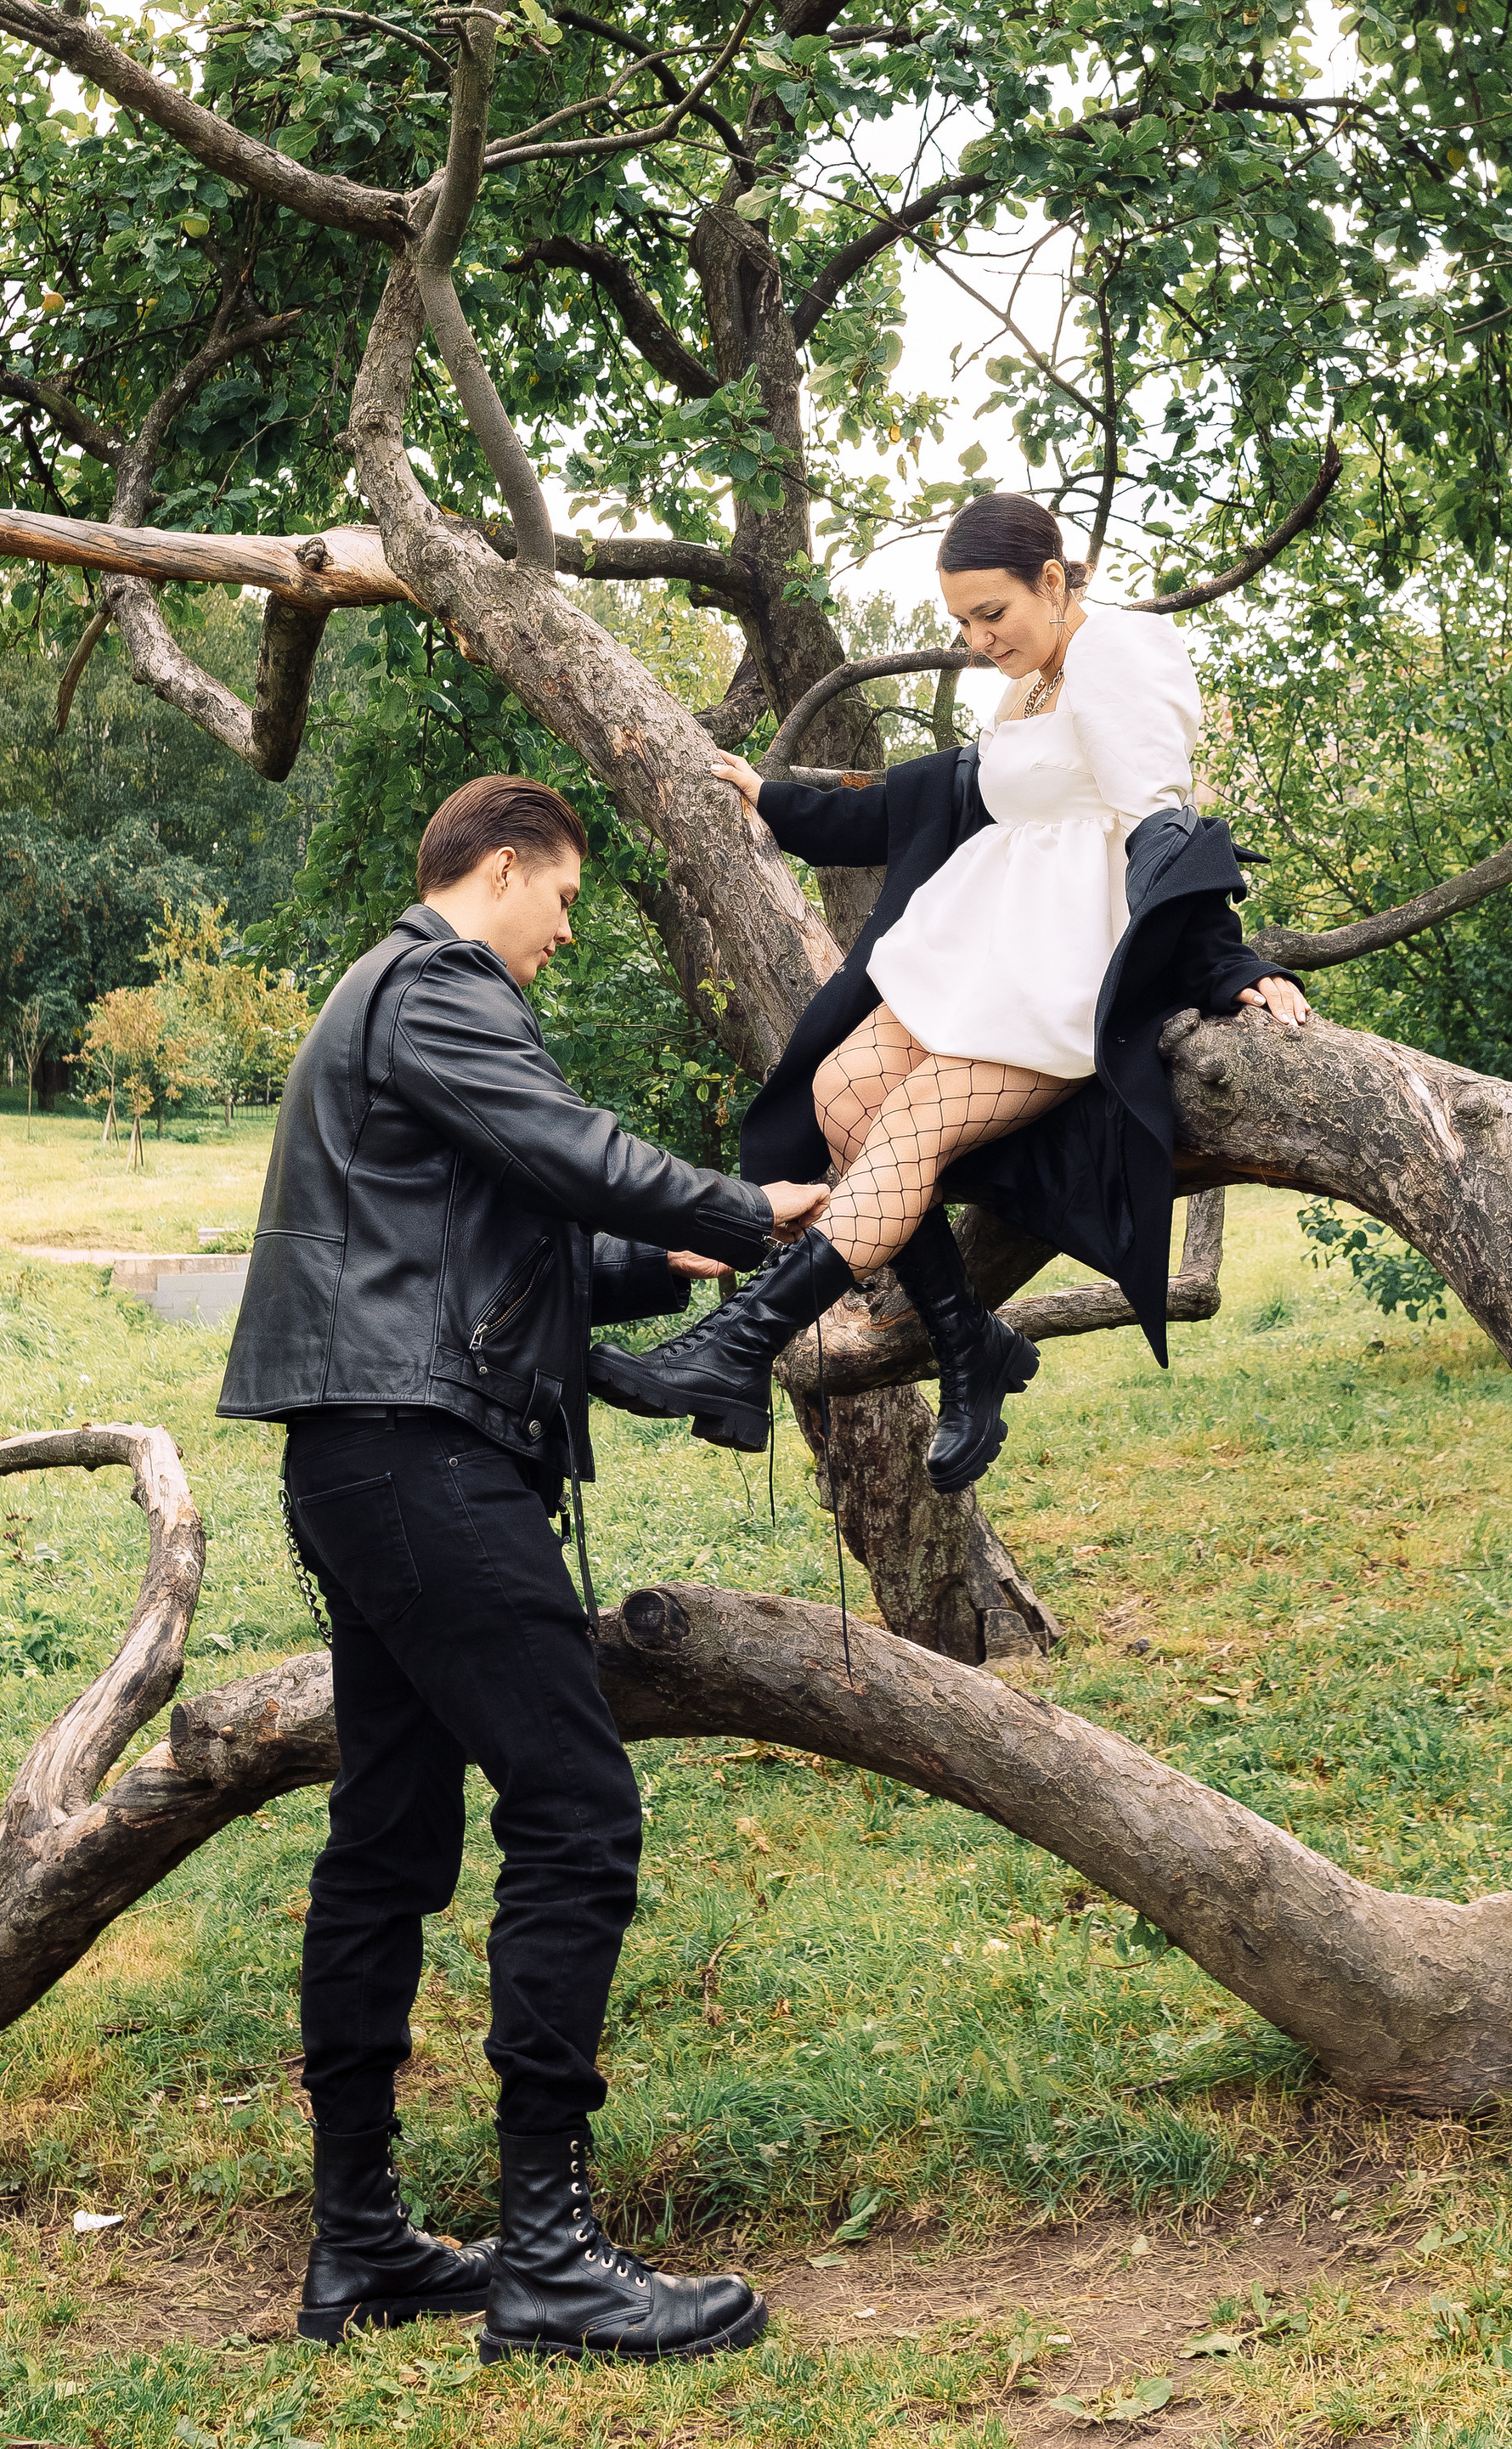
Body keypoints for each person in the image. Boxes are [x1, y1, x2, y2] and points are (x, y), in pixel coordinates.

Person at [217, 772, 828, 2358]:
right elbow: (564, 1150)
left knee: (392, 1834)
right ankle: (551, 2258)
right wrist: (744, 1205)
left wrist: (666, 1245)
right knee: (575, 1803)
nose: (560, 937)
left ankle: (359, 2244)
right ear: (502, 870)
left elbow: (503, 1239)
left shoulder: (387, 1012)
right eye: (560, 904)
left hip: (366, 1452)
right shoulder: (438, 982)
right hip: (424, 1460)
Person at [593, 495, 1309, 1491]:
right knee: (841, 1092)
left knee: (911, 1126)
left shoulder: (1120, 655)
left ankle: (737, 1348)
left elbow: (1162, 825)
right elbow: (943, 793)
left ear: (1053, 581)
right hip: (978, 951)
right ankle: (972, 1345)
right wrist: (783, 800)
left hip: (1061, 972)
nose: (978, 641)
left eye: (992, 614)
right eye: (962, 623)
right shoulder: (1025, 685)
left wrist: (1235, 966)